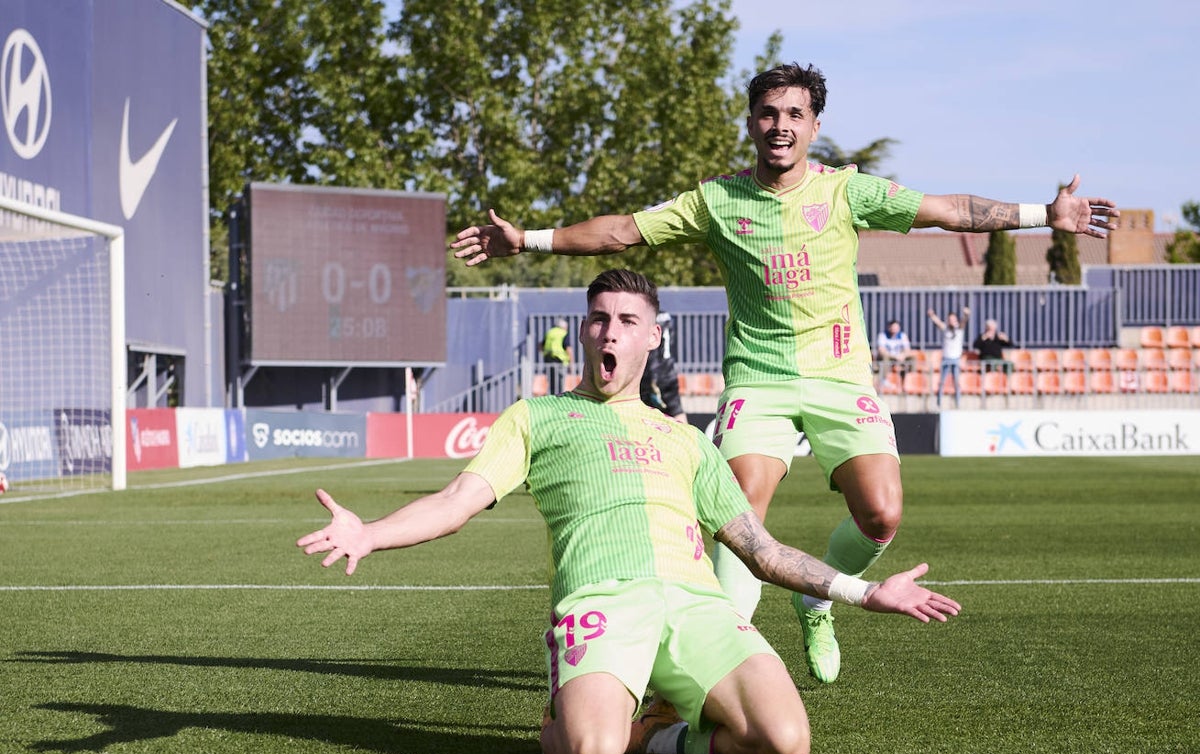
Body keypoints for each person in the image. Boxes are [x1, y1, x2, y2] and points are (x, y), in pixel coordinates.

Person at [449, 62, 1117, 684]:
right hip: (758, 382)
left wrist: (1044, 216)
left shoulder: (846, 189)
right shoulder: (718, 200)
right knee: (741, 513)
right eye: (769, 114)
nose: (781, 126)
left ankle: (813, 606)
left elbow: (946, 211)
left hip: (841, 378)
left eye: (795, 114)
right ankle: (727, 653)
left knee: (881, 516)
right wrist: (529, 239)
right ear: (751, 123)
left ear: (815, 126)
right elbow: (624, 231)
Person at [297, 269, 961, 754]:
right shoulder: (538, 417)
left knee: (786, 744)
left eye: (626, 320)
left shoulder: (689, 442)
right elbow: (455, 502)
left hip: (698, 606)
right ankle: (573, 708)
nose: (609, 331)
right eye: (598, 319)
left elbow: (760, 550)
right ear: (586, 332)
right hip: (604, 601)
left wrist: (866, 592)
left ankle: (657, 734)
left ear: (654, 335)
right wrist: (370, 533)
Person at [639, 311, 687, 422]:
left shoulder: (647, 318)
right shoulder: (666, 316)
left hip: (655, 375)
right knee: (677, 411)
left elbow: (652, 356)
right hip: (669, 371)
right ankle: (689, 437)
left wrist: (652, 378)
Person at [928, 306, 971, 408]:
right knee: (942, 381)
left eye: (953, 319)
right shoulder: (945, 328)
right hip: (946, 358)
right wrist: (932, 315)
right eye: (950, 319)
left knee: (956, 382)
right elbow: (938, 322)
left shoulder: (959, 329)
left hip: (956, 358)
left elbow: (964, 321)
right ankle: (939, 402)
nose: (951, 321)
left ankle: (958, 402)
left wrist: (966, 314)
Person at [875, 319, 915, 385]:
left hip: (900, 357)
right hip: (889, 357)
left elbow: (907, 349)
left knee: (913, 358)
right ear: (889, 328)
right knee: (885, 358)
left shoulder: (903, 336)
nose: (894, 329)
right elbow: (882, 350)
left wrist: (903, 355)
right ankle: (884, 379)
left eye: (896, 327)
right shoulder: (883, 335)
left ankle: (911, 376)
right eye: (893, 327)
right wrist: (895, 356)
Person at [541, 318, 572, 393]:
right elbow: (568, 349)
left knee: (551, 382)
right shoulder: (563, 333)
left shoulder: (549, 332)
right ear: (564, 327)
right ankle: (559, 398)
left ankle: (552, 397)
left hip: (548, 360)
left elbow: (541, 346)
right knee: (560, 383)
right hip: (560, 361)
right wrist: (571, 363)